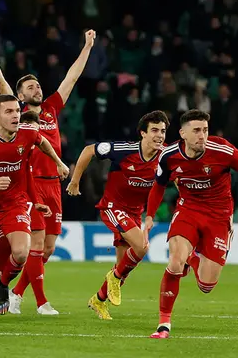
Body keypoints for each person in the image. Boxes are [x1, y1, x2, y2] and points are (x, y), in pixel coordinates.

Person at [0, 30, 94, 315]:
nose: (36, 89)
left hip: (54, 184)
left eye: (38, 85)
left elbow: (72, 77)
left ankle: (15, 293)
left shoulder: (52, 108)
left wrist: (88, 46)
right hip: (29, 185)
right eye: (30, 87)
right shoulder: (16, 112)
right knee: (38, 243)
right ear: (19, 95)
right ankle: (42, 303)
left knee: (48, 249)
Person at [146, 110, 238, 338]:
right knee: (175, 261)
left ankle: (193, 257)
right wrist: (149, 216)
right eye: (197, 130)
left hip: (219, 215)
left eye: (205, 130)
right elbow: (159, 185)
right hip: (188, 209)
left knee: (206, 286)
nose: (202, 136)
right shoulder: (168, 156)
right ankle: (163, 324)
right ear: (183, 133)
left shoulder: (222, 150)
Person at [0, 95, 69, 322]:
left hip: (14, 204)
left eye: (16, 111)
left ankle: (3, 285)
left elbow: (43, 141)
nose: (15, 116)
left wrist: (59, 162)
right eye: (9, 112)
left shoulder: (27, 132)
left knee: (20, 253)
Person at [66, 110, 169, 319]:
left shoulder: (166, 157)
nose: (160, 135)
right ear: (143, 133)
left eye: (163, 131)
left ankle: (98, 300)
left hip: (134, 213)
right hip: (113, 207)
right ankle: (112, 278)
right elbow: (88, 151)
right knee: (141, 247)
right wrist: (75, 180)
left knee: (124, 270)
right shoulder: (123, 150)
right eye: (155, 130)